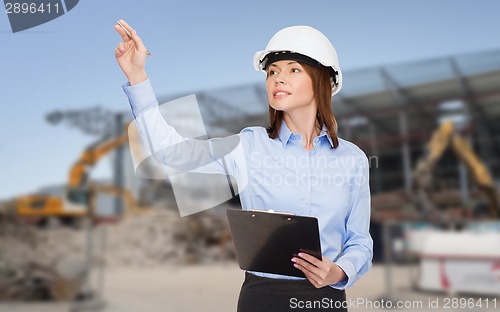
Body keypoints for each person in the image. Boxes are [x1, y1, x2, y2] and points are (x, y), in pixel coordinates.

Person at [114, 20, 373, 312]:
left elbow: (360, 242)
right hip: (262, 298)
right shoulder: (249, 145)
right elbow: (170, 153)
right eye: (272, 71)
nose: (278, 78)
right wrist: (138, 77)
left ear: (322, 80)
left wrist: (339, 272)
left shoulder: (352, 159)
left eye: (293, 69)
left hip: (326, 300)